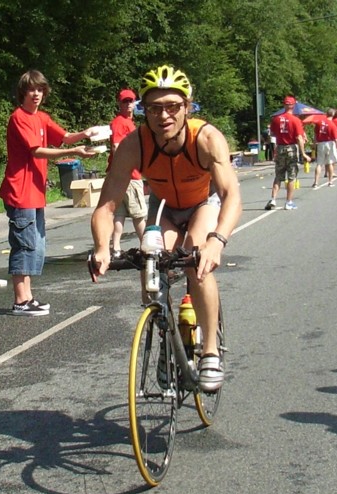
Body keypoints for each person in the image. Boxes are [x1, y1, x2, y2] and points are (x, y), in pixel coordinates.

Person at [90, 65, 242, 392]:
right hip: (165, 208)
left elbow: (231, 195)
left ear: (188, 107)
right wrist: (102, 247)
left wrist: (217, 241)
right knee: (151, 262)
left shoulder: (207, 138)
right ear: (145, 111)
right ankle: (168, 341)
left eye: (173, 106)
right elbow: (106, 205)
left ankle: (211, 353)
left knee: (195, 262)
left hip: (204, 204)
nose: (164, 116)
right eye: (155, 108)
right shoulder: (135, 144)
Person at [0, 69, 98, 316]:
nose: (36, 94)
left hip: (35, 193)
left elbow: (64, 137)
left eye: (40, 89)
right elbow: (37, 151)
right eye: (32, 89)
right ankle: (21, 301)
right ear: (23, 92)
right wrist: (75, 153)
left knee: (36, 245)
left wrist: (86, 134)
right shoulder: (19, 118)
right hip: (20, 192)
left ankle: (28, 298)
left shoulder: (41, 118)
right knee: (24, 245)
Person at [107, 89, 147, 256]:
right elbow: (117, 146)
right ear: (119, 103)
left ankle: (116, 248)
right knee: (139, 213)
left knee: (120, 214)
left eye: (131, 101)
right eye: (125, 101)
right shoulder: (120, 122)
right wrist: (125, 169)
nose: (129, 104)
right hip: (129, 176)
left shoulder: (128, 122)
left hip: (122, 175)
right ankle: (147, 247)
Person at [265, 96, 311, 210]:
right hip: (291, 148)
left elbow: (272, 134)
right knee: (291, 176)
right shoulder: (296, 120)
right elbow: (299, 138)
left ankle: (273, 199)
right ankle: (288, 202)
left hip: (280, 148)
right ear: (293, 105)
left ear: (284, 105)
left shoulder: (276, 119)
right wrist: (303, 153)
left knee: (278, 175)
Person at [311, 109, 337, 188]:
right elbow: (336, 139)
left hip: (320, 143)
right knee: (330, 163)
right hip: (329, 143)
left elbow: (315, 135)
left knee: (319, 164)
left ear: (326, 114)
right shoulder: (332, 125)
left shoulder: (319, 123)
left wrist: (314, 144)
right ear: (333, 115)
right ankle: (330, 182)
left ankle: (316, 182)